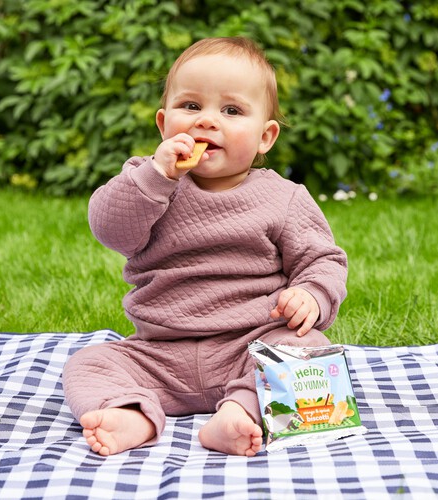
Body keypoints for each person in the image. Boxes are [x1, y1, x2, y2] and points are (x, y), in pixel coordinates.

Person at [62, 37, 347, 457]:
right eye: (191, 107)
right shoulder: (147, 182)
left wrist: (312, 295)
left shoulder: (283, 198)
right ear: (163, 124)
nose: (206, 121)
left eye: (231, 111)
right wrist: (158, 176)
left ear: (265, 136)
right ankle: (132, 414)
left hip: (250, 343)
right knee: (87, 363)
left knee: (309, 352)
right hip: (159, 353)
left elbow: (322, 259)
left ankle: (240, 412)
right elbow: (110, 230)